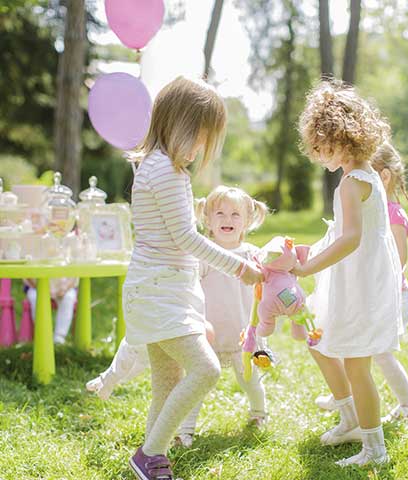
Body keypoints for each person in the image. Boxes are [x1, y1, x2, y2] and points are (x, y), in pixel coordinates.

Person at [123, 76, 263, 480]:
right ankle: (150, 454)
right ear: (180, 124)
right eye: (200, 137)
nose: (201, 148)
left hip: (157, 289)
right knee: (207, 369)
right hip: (159, 292)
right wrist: (239, 265)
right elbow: (186, 238)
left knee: (167, 381)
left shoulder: (156, 166)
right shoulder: (166, 172)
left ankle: (147, 460)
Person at [86, 186, 269, 447]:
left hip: (242, 335)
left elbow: (268, 283)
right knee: (196, 383)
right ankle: (185, 432)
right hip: (207, 333)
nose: (227, 220)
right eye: (220, 213)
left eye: (235, 215)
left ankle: (259, 412)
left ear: (248, 220)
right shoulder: (205, 255)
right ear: (207, 219)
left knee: (250, 379)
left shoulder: (253, 254)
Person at [294, 79, 402, 467]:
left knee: (358, 366)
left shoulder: (352, 182)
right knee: (335, 350)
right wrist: (314, 250)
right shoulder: (366, 174)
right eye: (317, 149)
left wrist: (307, 267)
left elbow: (351, 239)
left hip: (360, 284)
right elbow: (343, 234)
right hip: (364, 280)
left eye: (325, 147)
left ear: (347, 139)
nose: (321, 156)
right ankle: (354, 421)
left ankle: (374, 448)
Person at [314, 142, 408, 421]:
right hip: (374, 292)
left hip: (390, 294)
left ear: (383, 177)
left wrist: (378, 286)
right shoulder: (373, 206)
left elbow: (397, 259)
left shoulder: (393, 214)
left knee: (382, 354)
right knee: (357, 346)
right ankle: (345, 394)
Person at [25, 278, 77, 344]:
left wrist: (65, 288)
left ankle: (59, 337)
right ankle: (44, 336)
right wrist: (42, 288)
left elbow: (74, 276)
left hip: (64, 287)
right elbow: (29, 276)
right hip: (37, 287)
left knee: (68, 297)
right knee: (35, 298)